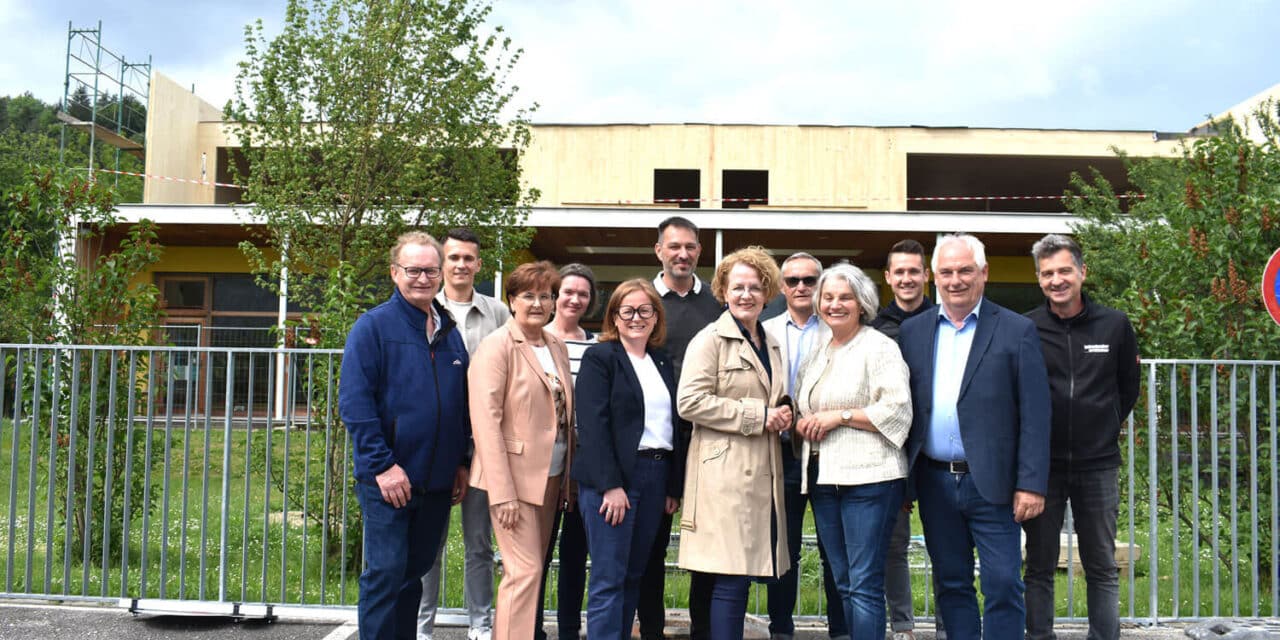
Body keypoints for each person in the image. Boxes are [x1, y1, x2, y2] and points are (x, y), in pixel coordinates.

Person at [898, 233, 1051, 640]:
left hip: (994, 484)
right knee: (951, 583)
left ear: (984, 272)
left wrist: (1031, 484)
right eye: (946, 272)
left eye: (965, 270)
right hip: (933, 480)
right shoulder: (913, 332)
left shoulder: (1017, 330)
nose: (956, 280)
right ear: (934, 277)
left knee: (1003, 583)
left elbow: (1036, 414)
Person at [339, 231, 471, 640]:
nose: (423, 278)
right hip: (389, 481)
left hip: (436, 482)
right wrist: (383, 466)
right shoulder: (373, 327)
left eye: (431, 270)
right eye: (413, 270)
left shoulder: (448, 330)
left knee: (412, 575)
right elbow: (355, 405)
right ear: (395, 272)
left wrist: (461, 462)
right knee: (385, 574)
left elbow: (461, 405)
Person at [1022, 234, 1139, 640]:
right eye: (1047, 273)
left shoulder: (1115, 325)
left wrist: (1103, 425)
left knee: (1102, 565)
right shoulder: (1028, 328)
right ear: (1039, 279)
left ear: (1082, 272)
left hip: (1098, 464)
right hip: (1043, 467)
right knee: (1038, 565)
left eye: (1064, 271)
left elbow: (1128, 389)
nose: (1057, 280)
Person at [676, 245, 792, 640]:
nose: (746, 295)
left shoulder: (772, 341)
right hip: (722, 476)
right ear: (724, 291)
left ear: (768, 292)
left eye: (755, 288)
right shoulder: (709, 340)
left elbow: (773, 394)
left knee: (738, 575)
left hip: (762, 472)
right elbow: (689, 402)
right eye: (738, 287)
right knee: (731, 575)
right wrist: (759, 416)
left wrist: (784, 411)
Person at [795, 262, 912, 640]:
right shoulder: (818, 350)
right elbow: (805, 406)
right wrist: (803, 422)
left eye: (845, 297)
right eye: (827, 297)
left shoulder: (880, 347)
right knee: (843, 580)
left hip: (870, 479)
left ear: (861, 303)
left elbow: (897, 411)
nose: (835, 304)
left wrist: (840, 416)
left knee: (863, 584)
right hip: (824, 478)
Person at [469, 261, 575, 640]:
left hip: (551, 477)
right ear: (511, 300)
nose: (537, 303)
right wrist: (503, 493)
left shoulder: (556, 345)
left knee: (533, 571)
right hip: (513, 481)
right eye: (528, 295)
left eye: (545, 295)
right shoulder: (496, 347)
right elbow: (486, 423)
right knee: (524, 571)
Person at [574, 279, 686, 640]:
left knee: (635, 575)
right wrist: (610, 486)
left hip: (656, 475)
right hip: (616, 479)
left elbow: (672, 425)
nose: (636, 317)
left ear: (656, 317)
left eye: (645, 310)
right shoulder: (600, 357)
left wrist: (671, 486)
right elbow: (592, 426)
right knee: (609, 577)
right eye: (628, 310)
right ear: (615, 317)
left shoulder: (661, 360)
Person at [420, 229, 510, 640]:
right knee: (430, 544)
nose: (460, 265)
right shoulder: (423, 308)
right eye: (453, 257)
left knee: (479, 544)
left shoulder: (498, 313)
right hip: (437, 444)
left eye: (468, 258)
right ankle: (422, 627)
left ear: (478, 263)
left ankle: (480, 624)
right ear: (443, 263)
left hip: (483, 446)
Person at [641, 215, 721, 640]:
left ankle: (702, 630)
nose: (683, 254)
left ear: (699, 252)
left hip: (706, 441)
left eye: (690, 247)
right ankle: (651, 629)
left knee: (706, 546)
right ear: (659, 251)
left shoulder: (715, 305)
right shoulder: (642, 303)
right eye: (674, 246)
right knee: (651, 548)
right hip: (656, 444)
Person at [762, 252, 849, 640]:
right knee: (783, 547)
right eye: (793, 280)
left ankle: (840, 629)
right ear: (782, 287)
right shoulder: (763, 331)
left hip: (830, 451)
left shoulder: (838, 329)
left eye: (809, 281)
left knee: (836, 548)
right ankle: (781, 628)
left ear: (820, 286)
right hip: (780, 453)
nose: (801, 287)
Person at [870, 239, 937, 640]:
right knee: (894, 548)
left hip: (939, 451)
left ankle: (951, 626)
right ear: (889, 277)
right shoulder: (876, 328)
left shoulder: (946, 319)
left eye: (915, 271)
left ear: (925, 275)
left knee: (949, 550)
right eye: (901, 272)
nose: (908, 278)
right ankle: (904, 628)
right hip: (892, 452)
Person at [535, 263, 599, 640]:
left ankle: (570, 629)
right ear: (555, 295)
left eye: (583, 294)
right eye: (568, 292)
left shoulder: (596, 345)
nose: (574, 299)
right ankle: (531, 628)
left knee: (576, 554)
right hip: (544, 464)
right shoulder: (535, 341)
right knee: (537, 554)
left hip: (584, 464)